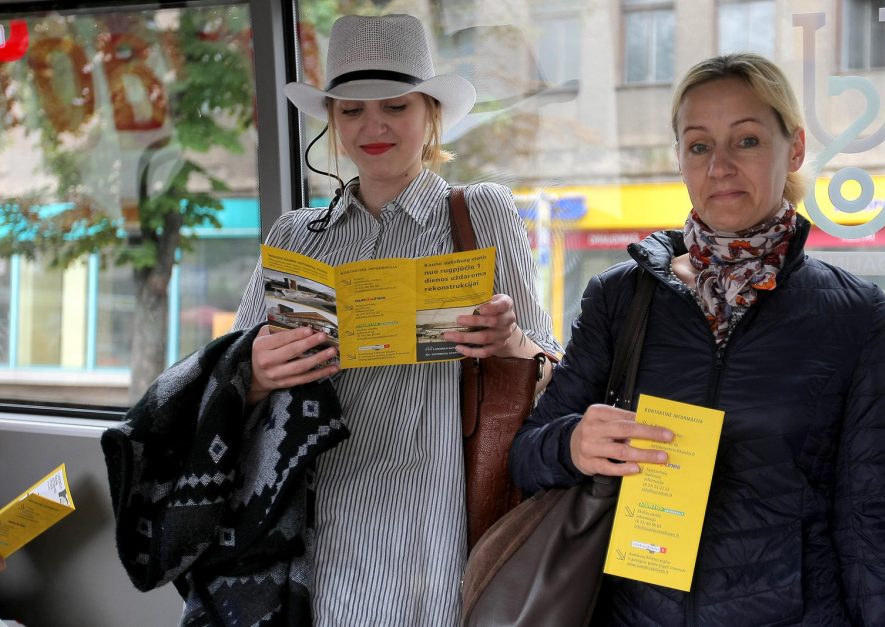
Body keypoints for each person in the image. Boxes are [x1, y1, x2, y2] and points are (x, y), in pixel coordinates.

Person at [102, 13, 559, 627]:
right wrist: (257, 371)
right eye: (350, 110)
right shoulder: (297, 236)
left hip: (442, 505)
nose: (372, 126)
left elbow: (549, 371)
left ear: (430, 115)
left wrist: (510, 340)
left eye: (395, 106)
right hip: (321, 510)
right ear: (332, 122)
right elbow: (232, 378)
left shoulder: (480, 212)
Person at [510, 52, 885, 626]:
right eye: (700, 145)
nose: (720, 166)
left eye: (747, 141)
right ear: (680, 158)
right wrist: (573, 444)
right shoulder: (619, 298)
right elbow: (527, 457)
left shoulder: (854, 315)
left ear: (795, 148)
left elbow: (870, 516)